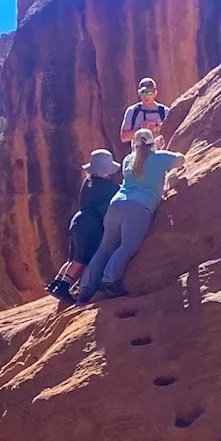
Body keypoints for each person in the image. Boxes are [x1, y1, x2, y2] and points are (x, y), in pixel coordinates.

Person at [73, 128, 182, 301]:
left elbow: (141, 162)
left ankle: (85, 288)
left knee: (105, 248)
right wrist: (161, 150)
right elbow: (180, 160)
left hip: (116, 205)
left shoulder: (127, 160)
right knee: (127, 246)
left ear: (134, 144)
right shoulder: (160, 158)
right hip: (139, 207)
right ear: (152, 143)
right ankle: (109, 280)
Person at [48, 149, 122, 302]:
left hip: (78, 220)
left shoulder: (87, 182)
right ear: (106, 169)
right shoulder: (108, 187)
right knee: (81, 259)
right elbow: (120, 194)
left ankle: (57, 282)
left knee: (73, 258)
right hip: (90, 226)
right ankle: (63, 287)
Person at [121, 77, 169, 143]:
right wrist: (142, 130)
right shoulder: (132, 111)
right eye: (143, 93)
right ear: (139, 93)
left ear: (155, 93)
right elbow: (123, 137)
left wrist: (157, 129)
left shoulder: (164, 112)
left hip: (159, 151)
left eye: (149, 93)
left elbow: (172, 133)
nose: (146, 96)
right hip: (138, 152)